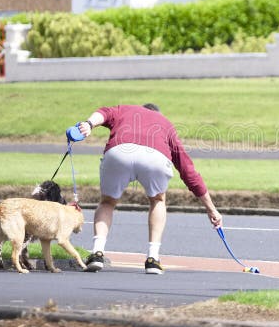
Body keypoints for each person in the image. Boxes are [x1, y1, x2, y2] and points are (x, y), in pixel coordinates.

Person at [75, 103, 223, 274]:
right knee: (158, 200)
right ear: (157, 114)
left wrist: (89, 124)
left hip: (119, 151)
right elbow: (188, 171)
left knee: (107, 202)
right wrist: (211, 209)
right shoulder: (165, 123)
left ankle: (96, 253)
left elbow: (103, 113)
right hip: (155, 158)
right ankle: (153, 259)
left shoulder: (125, 109)